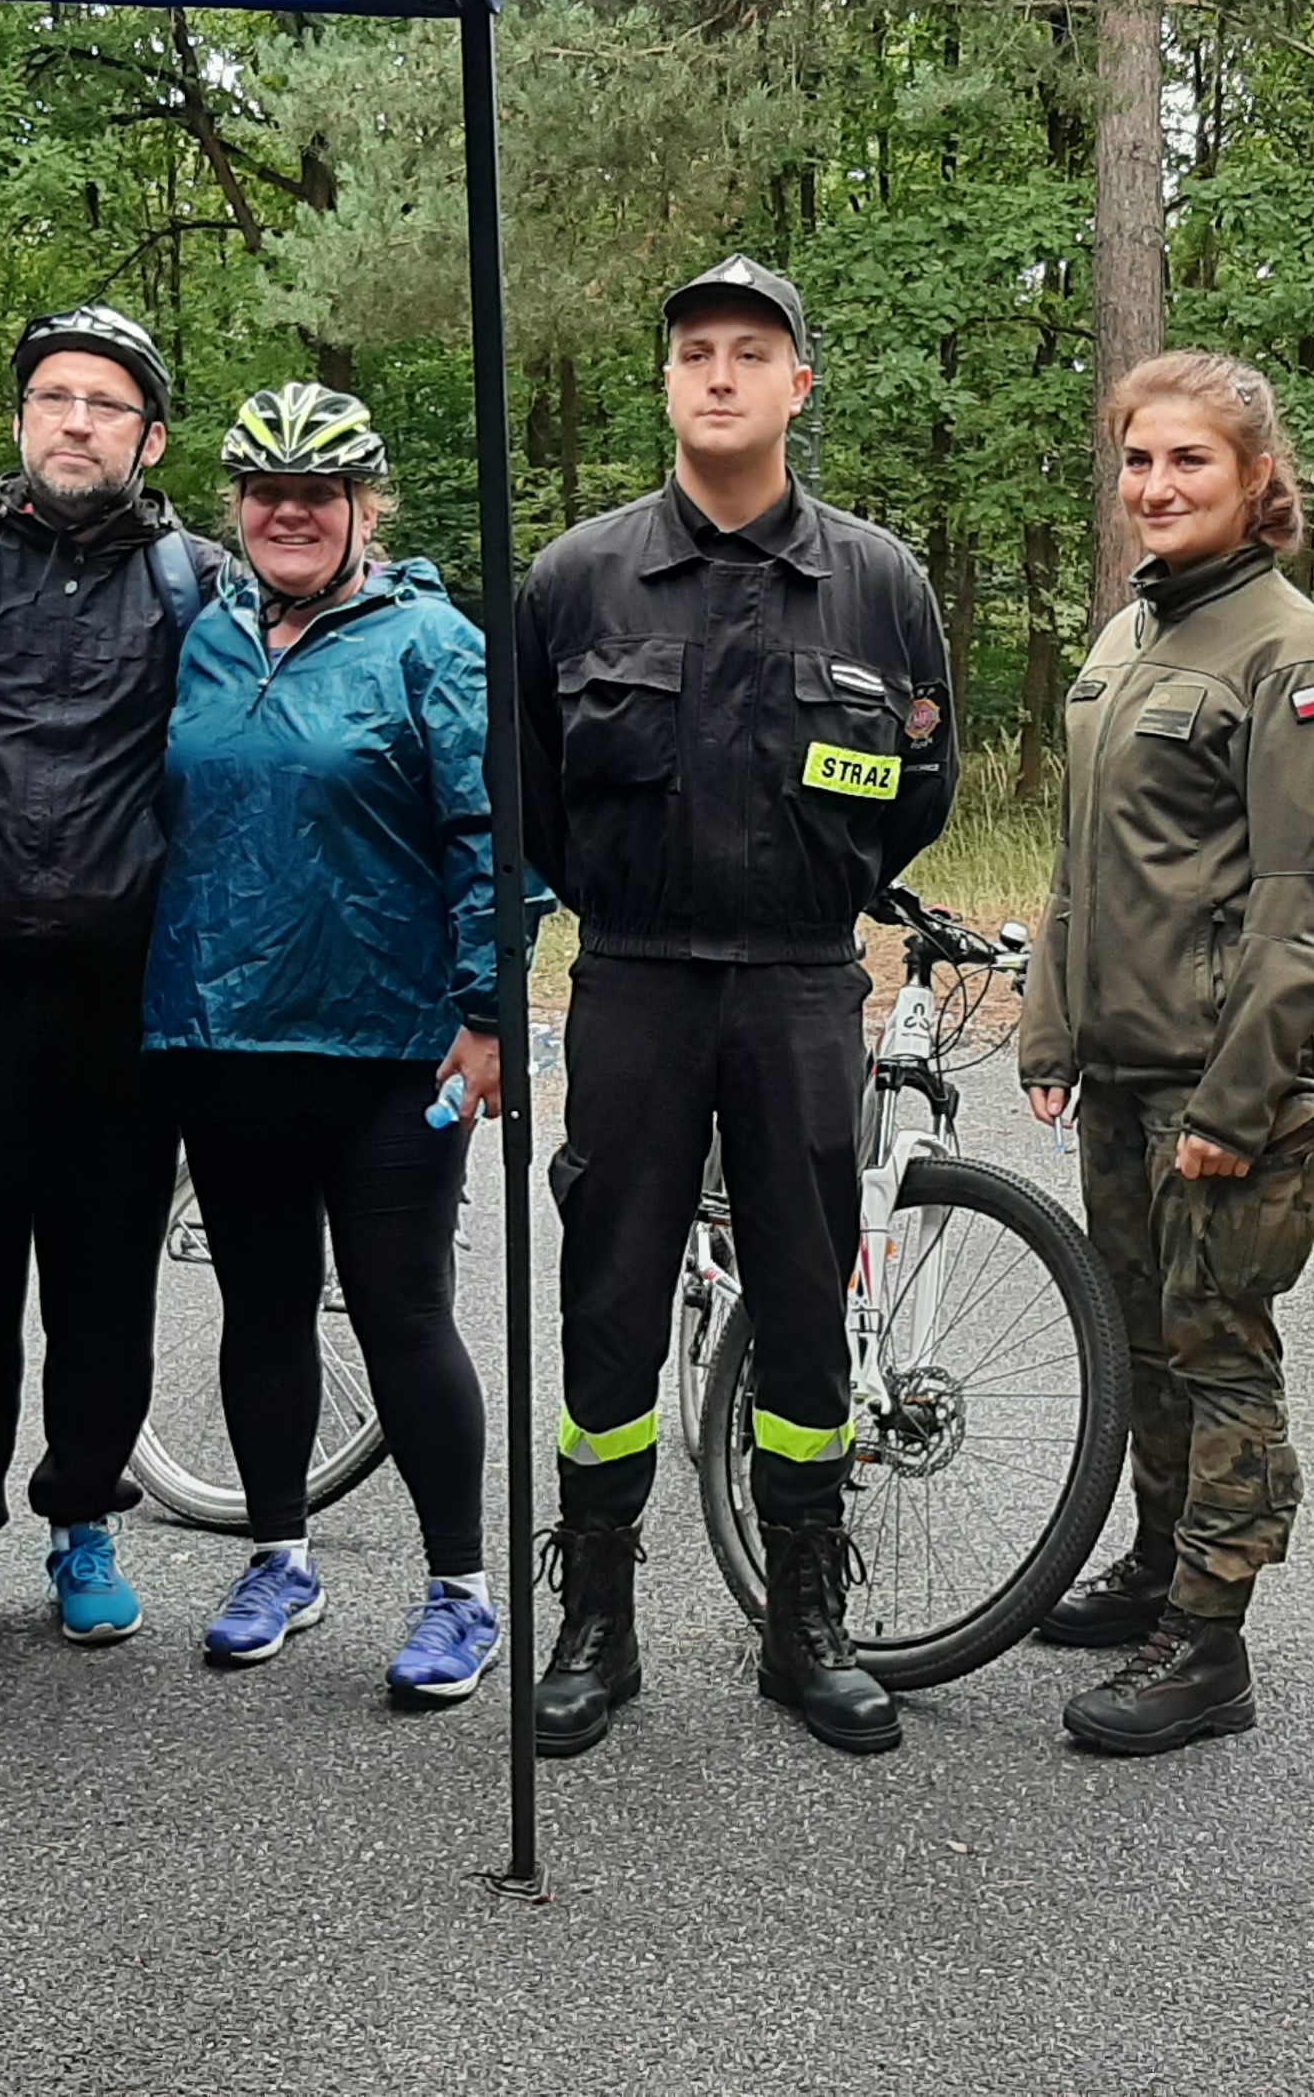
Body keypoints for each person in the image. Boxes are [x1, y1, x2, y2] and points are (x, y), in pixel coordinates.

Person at [509, 255, 956, 1758]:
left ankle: (804, 1615)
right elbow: (538, 806)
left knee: (806, 1301)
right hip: (632, 979)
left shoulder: (880, 586)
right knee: (611, 1302)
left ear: (796, 386)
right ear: (666, 382)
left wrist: (799, 890)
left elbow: (914, 792)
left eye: (750, 352)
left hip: (797, 986)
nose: (719, 374)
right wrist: (634, 902)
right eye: (693, 348)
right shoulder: (575, 581)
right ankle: (599, 1615)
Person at [1015, 352, 1314, 1757]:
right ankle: (1160, 1566)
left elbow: (1309, 903)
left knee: (1219, 1352)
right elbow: (1077, 865)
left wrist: (1241, 1097)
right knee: (1142, 1343)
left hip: (1228, 1089)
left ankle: (1210, 1639)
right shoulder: (1125, 639)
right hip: (1124, 1072)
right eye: (1139, 462)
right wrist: (1054, 1025)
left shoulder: (1290, 651)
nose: (1157, 487)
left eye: (1191, 464)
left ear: (1257, 481)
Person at [0, 304, 230, 1659]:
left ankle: (85, 1521)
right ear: (20, 415)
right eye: (55, 398)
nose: (77, 421)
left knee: (103, 1273)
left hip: (123, 1000)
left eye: (108, 404)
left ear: (149, 435)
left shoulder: (199, 579)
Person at [146, 384, 512, 1703]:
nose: (290, 512)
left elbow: (495, 838)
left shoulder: (431, 644)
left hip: (390, 1049)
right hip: (228, 1036)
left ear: (368, 506)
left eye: (320, 492)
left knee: (405, 1313)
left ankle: (460, 1593)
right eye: (266, 491)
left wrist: (488, 1014)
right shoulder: (200, 638)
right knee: (261, 1308)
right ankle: (278, 1556)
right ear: (236, 506)